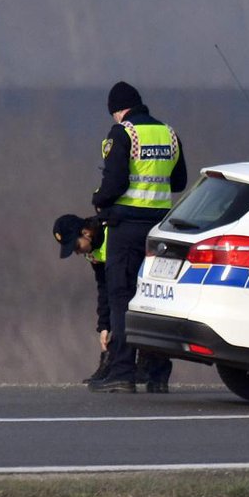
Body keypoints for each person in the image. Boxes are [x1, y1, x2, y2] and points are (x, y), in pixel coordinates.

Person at [88, 82, 187, 393]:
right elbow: (179, 181)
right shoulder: (169, 133)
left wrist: (100, 199)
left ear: (118, 110)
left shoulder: (122, 133)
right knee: (156, 298)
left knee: (122, 298)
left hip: (126, 228)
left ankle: (122, 372)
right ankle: (157, 373)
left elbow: (115, 183)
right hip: (160, 230)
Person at [52, 213, 112, 383]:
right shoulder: (93, 252)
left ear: (86, 232)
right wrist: (104, 326)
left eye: (76, 246)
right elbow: (104, 288)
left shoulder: (112, 234)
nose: (77, 252)